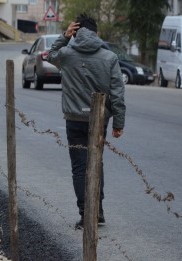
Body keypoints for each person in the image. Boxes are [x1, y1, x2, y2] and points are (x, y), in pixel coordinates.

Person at [47, 13, 126, 229]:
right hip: (99, 120)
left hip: (74, 120)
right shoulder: (109, 57)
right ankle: (97, 211)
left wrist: (64, 36)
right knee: (96, 163)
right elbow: (118, 93)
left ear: (76, 31)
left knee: (80, 168)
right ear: (97, 33)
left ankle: (86, 213)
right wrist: (119, 122)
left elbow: (48, 54)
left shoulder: (66, 53)